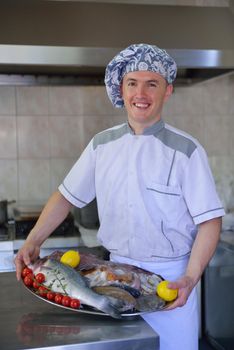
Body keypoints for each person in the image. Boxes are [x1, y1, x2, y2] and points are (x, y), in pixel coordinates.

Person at [14, 43, 225, 350]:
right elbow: (66, 197)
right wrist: (33, 241)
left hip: (171, 284)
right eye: (132, 83)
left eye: (151, 84)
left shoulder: (186, 151)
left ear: (167, 91)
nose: (141, 94)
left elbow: (210, 221)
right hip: (110, 277)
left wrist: (190, 278)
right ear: (121, 90)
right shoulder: (101, 145)